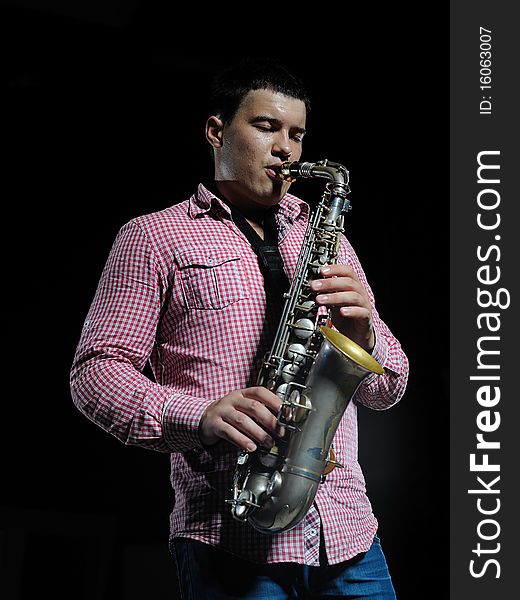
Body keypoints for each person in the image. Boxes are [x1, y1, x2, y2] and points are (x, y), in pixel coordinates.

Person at [70, 57, 409, 599]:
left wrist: (365, 336)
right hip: (229, 534)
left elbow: (388, 387)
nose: (287, 150)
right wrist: (199, 415)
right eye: (266, 126)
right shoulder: (152, 236)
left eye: (297, 135)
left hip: (346, 535)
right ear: (216, 130)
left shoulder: (329, 238)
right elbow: (96, 374)